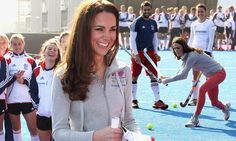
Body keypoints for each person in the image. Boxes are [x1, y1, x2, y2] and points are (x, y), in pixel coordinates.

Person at [51, 0, 139, 140]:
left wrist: (138, 137)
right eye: (99, 29)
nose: (108, 36)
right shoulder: (63, 75)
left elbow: (129, 121)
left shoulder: (123, 71)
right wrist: (94, 137)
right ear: (84, 31)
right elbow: (59, 132)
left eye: (113, 29)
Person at [160, 37, 230, 127]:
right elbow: (181, 72)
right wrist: (166, 78)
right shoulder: (186, 56)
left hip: (219, 73)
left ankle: (195, 119)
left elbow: (183, 76)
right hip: (210, 76)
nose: (176, 50)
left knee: (202, 90)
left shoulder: (192, 56)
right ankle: (225, 108)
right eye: (174, 48)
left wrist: (166, 81)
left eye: (178, 48)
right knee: (214, 102)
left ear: (184, 47)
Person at [129, 1, 168, 110]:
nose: (146, 11)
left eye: (148, 10)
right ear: (141, 10)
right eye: (144, 10)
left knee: (153, 75)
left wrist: (156, 52)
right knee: (135, 76)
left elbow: (155, 39)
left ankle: (157, 100)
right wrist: (135, 54)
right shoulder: (136, 22)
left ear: (150, 10)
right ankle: (133, 100)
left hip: (150, 52)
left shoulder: (153, 23)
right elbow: (132, 40)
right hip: (138, 52)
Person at [6, 34, 39, 141]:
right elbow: (4, 80)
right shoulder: (6, 60)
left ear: (24, 44)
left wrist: (24, 81)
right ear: (10, 45)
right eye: (14, 44)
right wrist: (14, 77)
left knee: (34, 130)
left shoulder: (31, 60)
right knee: (16, 130)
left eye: (19, 43)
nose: (17, 46)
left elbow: (36, 82)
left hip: (28, 100)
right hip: (12, 100)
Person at [29, 38, 61, 141]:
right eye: (49, 49)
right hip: (42, 115)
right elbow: (32, 90)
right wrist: (39, 106)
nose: (52, 51)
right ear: (44, 51)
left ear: (58, 55)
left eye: (55, 50)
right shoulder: (37, 71)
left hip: (59, 116)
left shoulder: (61, 71)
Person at [187, 3, 215, 106]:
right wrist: (188, 49)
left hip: (206, 53)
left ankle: (213, 100)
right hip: (195, 53)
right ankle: (194, 99)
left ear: (205, 12)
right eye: (198, 12)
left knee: (209, 78)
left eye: (202, 11)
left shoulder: (210, 23)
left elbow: (211, 40)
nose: (200, 13)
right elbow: (191, 38)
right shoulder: (193, 23)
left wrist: (208, 52)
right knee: (195, 76)